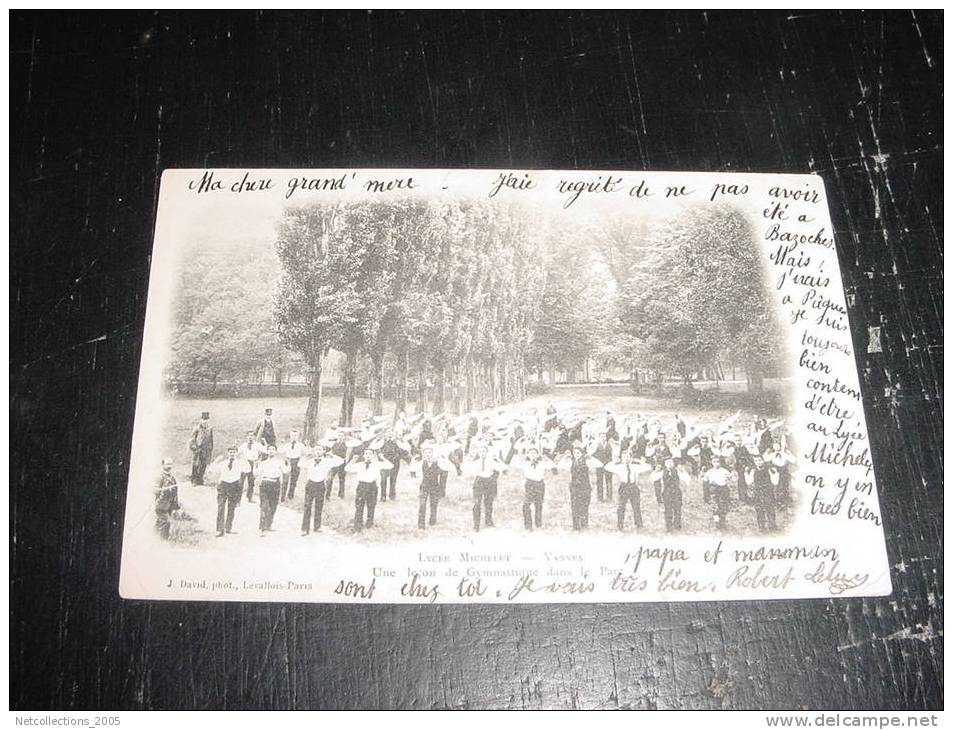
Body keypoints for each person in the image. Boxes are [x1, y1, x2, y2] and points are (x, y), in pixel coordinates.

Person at [301, 445, 345, 535]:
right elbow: (300, 463)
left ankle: (317, 526)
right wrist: (306, 455)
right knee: (307, 506)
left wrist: (332, 455)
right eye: (316, 450)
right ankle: (305, 528)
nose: (318, 451)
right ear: (314, 451)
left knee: (319, 506)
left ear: (323, 452)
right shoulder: (309, 461)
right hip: (310, 484)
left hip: (320, 484)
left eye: (320, 450)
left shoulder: (327, 462)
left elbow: (341, 461)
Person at [345, 450, 392, 531]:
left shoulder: (377, 464)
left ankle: (369, 523)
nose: (368, 455)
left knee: (371, 506)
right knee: (359, 506)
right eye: (366, 453)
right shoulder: (359, 465)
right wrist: (353, 460)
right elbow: (347, 469)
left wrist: (382, 458)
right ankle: (358, 525)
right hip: (361, 486)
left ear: (373, 456)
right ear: (363, 455)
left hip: (372, 486)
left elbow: (390, 465)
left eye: (370, 454)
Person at [466, 442, 507, 531]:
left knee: (488, 503)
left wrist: (498, 459)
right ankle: (476, 525)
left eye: (484, 451)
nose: (482, 453)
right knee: (477, 503)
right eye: (481, 451)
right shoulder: (476, 462)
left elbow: (503, 467)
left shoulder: (491, 462)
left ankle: (488, 521)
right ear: (479, 453)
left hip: (489, 482)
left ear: (487, 452)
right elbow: (464, 468)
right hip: (479, 482)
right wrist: (469, 459)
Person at [514, 447, 555, 531]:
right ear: (528, 455)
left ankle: (538, 523)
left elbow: (553, 465)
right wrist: (519, 457)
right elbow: (515, 464)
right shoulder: (525, 463)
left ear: (537, 455)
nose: (532, 455)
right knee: (526, 505)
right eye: (531, 453)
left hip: (540, 484)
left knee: (539, 505)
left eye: (534, 453)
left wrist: (547, 459)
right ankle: (528, 526)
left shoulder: (542, 463)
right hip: (529, 484)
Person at [606, 452, 650, 531]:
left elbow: (648, 467)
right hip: (624, 487)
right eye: (624, 457)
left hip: (633, 487)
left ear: (631, 458)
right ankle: (620, 525)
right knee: (621, 507)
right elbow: (607, 467)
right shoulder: (619, 467)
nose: (626, 459)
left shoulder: (635, 467)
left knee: (636, 506)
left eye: (628, 457)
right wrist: (614, 461)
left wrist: (640, 461)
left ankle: (639, 524)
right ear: (622, 459)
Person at [417, 445, 453, 529]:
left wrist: (445, 460)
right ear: (423, 454)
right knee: (422, 505)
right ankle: (421, 526)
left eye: (429, 453)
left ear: (432, 453)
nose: (428, 455)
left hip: (434, 487)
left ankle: (432, 521)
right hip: (424, 487)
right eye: (426, 453)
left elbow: (448, 468)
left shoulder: (438, 462)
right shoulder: (421, 462)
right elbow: (413, 469)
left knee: (433, 505)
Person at [565, 446, 598, 531]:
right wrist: (565, 457)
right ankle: (576, 526)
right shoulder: (571, 462)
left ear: (582, 454)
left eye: (578, 453)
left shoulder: (587, 461)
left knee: (584, 505)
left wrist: (591, 458)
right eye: (575, 453)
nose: (576, 455)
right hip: (574, 487)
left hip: (585, 487)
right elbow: (560, 464)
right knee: (575, 506)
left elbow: (599, 464)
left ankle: (584, 524)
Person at [256, 445, 286, 536]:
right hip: (265, 483)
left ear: (276, 451)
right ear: (267, 451)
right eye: (269, 449)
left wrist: (286, 462)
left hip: (275, 484)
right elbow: (257, 473)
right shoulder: (263, 462)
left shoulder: (279, 462)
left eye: (273, 449)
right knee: (264, 505)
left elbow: (285, 471)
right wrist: (256, 466)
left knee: (273, 505)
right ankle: (262, 527)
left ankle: (269, 525)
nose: (271, 451)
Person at [216, 446, 244, 537]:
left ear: (236, 453)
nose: (232, 454)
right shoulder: (223, 463)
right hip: (223, 485)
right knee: (221, 507)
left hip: (234, 486)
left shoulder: (240, 463)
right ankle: (219, 529)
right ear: (228, 453)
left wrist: (243, 458)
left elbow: (248, 469)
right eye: (230, 452)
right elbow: (213, 470)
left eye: (234, 452)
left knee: (231, 508)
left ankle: (228, 527)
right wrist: (217, 460)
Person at [703, 456, 734, 532]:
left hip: (723, 489)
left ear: (720, 462)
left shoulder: (724, 471)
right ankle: (717, 523)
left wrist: (732, 475)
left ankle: (722, 523)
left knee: (723, 506)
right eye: (714, 461)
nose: (716, 463)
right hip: (713, 489)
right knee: (715, 506)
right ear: (712, 462)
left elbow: (731, 479)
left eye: (718, 461)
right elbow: (705, 482)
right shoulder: (709, 471)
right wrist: (706, 494)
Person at [378, 432, 409, 501]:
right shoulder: (381, 443)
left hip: (395, 463)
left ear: (394, 436)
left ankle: (392, 495)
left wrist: (398, 457)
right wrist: (380, 458)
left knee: (393, 479)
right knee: (383, 480)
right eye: (388, 434)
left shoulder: (398, 443)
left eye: (391, 435)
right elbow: (377, 451)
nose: (389, 436)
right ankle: (383, 496)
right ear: (385, 435)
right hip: (384, 463)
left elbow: (404, 451)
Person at [154, 458, 180, 539]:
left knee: (159, 523)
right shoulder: (159, 477)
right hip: (161, 505)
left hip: (169, 505)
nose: (169, 466)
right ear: (163, 465)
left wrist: (175, 506)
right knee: (166, 522)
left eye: (170, 464)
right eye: (167, 464)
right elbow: (154, 490)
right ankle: (163, 541)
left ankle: (152, 538)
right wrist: (164, 489)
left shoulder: (172, 478)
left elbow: (175, 493)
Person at [751, 455, 778, 531]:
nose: (758, 462)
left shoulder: (769, 469)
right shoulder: (753, 471)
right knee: (759, 509)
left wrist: (774, 473)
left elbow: (775, 481)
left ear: (763, 461)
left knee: (770, 508)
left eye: (760, 460)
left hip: (768, 491)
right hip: (758, 492)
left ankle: (772, 525)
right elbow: (749, 482)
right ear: (754, 462)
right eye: (756, 461)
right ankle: (761, 526)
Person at [188, 411, 214, 485]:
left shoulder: (210, 428)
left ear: (208, 420)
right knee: (196, 464)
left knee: (204, 464)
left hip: (205, 450)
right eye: (203, 420)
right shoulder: (197, 428)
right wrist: (194, 448)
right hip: (198, 450)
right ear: (201, 420)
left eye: (206, 420)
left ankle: (200, 479)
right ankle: (194, 480)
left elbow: (211, 439)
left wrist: (210, 447)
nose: (205, 421)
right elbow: (192, 439)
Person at [280, 430, 305, 501]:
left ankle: (291, 495)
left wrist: (301, 460)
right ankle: (283, 496)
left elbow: (305, 453)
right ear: (290, 436)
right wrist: (282, 444)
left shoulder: (301, 445)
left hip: (296, 462)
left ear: (298, 437)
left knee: (294, 480)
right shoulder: (287, 445)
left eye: (295, 435)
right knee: (285, 480)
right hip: (288, 461)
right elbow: (280, 451)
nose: (294, 437)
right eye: (292, 435)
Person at [660, 458, 683, 532]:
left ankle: (677, 525)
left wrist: (683, 471)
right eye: (667, 463)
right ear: (665, 465)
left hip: (676, 492)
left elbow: (687, 479)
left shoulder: (677, 472)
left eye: (671, 462)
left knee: (677, 509)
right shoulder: (662, 472)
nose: (669, 464)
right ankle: (669, 526)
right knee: (668, 509)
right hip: (667, 492)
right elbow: (653, 478)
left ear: (673, 464)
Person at [591, 433, 614, 502]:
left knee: (609, 481)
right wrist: (596, 461)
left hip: (608, 465)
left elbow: (612, 455)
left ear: (606, 437)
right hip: (599, 466)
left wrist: (611, 463)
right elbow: (593, 454)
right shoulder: (597, 445)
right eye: (602, 436)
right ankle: (600, 498)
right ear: (599, 437)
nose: (603, 438)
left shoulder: (609, 445)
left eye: (604, 436)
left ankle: (609, 497)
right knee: (599, 481)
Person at [238, 431, 260, 502]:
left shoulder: (257, 445)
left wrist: (257, 460)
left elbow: (264, 451)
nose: (250, 437)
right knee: (241, 482)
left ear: (254, 437)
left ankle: (249, 497)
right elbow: (237, 452)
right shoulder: (243, 445)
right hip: (244, 464)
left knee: (251, 482)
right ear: (246, 437)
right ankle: (238, 499)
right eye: (249, 435)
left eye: (252, 435)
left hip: (252, 463)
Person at [328, 433, 349, 499]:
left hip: (342, 464)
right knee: (330, 478)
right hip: (334, 464)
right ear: (337, 436)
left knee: (342, 479)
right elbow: (330, 451)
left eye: (342, 436)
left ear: (343, 437)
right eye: (339, 435)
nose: (340, 437)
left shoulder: (345, 444)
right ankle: (328, 495)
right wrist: (330, 454)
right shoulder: (334, 444)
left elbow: (343, 454)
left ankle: (341, 495)